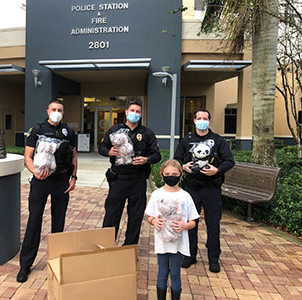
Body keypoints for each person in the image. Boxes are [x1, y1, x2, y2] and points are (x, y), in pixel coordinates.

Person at [17, 99, 78, 283]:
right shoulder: (37, 130)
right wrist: (35, 172)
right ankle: (25, 265)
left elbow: (74, 156)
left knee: (58, 223)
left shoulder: (69, 132)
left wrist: (74, 177)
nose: (57, 112)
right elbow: (28, 156)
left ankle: (56, 261)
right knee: (34, 220)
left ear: (63, 112)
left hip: (61, 180)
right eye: (54, 109)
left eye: (60, 109)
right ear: (48, 111)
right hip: (41, 181)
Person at [174, 109, 234, 273]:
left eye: (205, 118)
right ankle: (189, 255)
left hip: (211, 188)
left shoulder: (218, 141)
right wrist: (183, 166)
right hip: (191, 188)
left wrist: (218, 170)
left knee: (213, 224)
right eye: (199, 118)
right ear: (194, 121)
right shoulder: (187, 141)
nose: (202, 121)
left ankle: (213, 258)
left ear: (209, 121)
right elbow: (177, 158)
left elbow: (230, 161)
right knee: (190, 223)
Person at [99, 101, 161, 245]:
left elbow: (156, 155)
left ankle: (129, 248)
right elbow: (102, 147)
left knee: (135, 217)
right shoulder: (115, 130)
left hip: (138, 181)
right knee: (111, 214)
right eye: (132, 110)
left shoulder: (147, 133)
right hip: (118, 180)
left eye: (138, 111)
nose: (135, 113)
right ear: (126, 112)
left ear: (141, 114)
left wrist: (147, 159)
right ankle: (106, 246)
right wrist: (109, 152)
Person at [145, 159, 199, 300]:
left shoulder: (185, 196)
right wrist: (154, 221)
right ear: (162, 175)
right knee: (162, 272)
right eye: (167, 173)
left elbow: (193, 221)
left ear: (181, 175)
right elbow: (149, 217)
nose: (171, 176)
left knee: (175, 273)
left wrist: (185, 226)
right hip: (162, 242)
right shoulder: (157, 195)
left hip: (179, 243)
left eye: (174, 174)